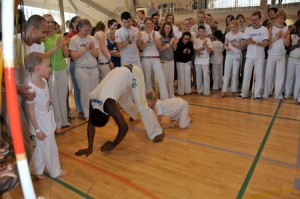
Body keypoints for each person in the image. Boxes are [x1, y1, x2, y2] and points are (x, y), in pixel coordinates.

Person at [75, 64, 165, 155]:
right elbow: (91, 123)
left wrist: (113, 144)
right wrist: (89, 147)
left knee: (141, 105)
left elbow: (124, 128)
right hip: (121, 74)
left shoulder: (108, 105)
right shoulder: (92, 99)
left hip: (134, 74)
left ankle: (157, 131)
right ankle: (134, 114)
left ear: (108, 115)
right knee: (124, 101)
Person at [25, 52, 68, 179]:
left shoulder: (43, 80)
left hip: (48, 120)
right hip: (41, 126)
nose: (50, 68)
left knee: (41, 148)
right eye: (48, 66)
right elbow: (31, 111)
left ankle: (35, 169)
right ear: (37, 68)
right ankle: (55, 171)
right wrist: (37, 130)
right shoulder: (30, 88)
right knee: (50, 148)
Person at [43, 14, 71, 134]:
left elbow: (66, 55)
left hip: (62, 70)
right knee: (54, 99)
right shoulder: (42, 39)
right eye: (48, 22)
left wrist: (64, 45)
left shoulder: (59, 36)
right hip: (51, 72)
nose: (51, 24)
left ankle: (64, 121)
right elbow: (43, 56)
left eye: (52, 22)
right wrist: (56, 47)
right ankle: (58, 124)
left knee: (62, 97)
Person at [69, 19, 99, 120]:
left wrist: (91, 49)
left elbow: (96, 55)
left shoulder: (92, 38)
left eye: (89, 30)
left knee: (94, 92)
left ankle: (95, 111)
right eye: (85, 30)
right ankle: (87, 114)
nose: (88, 32)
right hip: (81, 69)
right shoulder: (74, 39)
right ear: (79, 28)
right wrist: (85, 49)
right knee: (85, 92)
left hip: (94, 68)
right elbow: (73, 57)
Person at [237, 11, 269, 100]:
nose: (253, 21)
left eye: (255, 19)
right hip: (249, 56)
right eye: (252, 20)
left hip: (260, 57)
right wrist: (249, 41)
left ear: (259, 19)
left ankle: (257, 94)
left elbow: (266, 43)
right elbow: (243, 43)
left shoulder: (264, 29)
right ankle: (244, 93)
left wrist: (255, 42)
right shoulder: (248, 29)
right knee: (246, 75)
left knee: (259, 76)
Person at [137, 17, 169, 100]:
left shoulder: (157, 33)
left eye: (150, 23)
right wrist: (147, 41)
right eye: (147, 23)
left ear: (153, 24)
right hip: (145, 58)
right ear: (144, 24)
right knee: (147, 80)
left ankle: (164, 98)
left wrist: (154, 39)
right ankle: (150, 98)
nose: (149, 25)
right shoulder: (141, 33)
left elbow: (159, 46)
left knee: (161, 77)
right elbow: (141, 48)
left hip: (155, 58)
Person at [263, 10, 290, 100]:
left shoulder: (287, 29)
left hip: (281, 55)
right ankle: (266, 93)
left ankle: (278, 95)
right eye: (278, 18)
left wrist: (284, 37)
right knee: (268, 75)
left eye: (281, 18)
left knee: (280, 75)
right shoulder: (272, 28)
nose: (279, 19)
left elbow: (287, 44)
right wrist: (277, 36)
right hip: (271, 55)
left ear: (284, 19)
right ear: (276, 18)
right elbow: (269, 43)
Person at [221, 20, 244, 97]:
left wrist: (235, 45)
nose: (232, 29)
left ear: (237, 27)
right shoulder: (227, 34)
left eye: (234, 27)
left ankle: (233, 90)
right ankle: (224, 90)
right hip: (229, 55)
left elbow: (242, 46)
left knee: (235, 73)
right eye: (231, 27)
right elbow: (225, 45)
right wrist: (226, 48)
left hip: (237, 55)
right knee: (227, 73)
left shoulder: (241, 34)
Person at [157, 21, 178, 98]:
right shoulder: (160, 37)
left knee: (171, 78)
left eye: (169, 28)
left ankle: (171, 94)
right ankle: (163, 95)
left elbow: (174, 49)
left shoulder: (172, 37)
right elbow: (160, 49)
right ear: (163, 28)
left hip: (171, 60)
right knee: (164, 79)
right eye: (166, 28)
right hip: (163, 60)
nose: (167, 29)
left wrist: (175, 42)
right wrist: (169, 44)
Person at [193, 25, 212, 96]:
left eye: (203, 32)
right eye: (200, 32)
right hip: (198, 61)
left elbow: (210, 51)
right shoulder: (196, 40)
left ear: (205, 32)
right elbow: (196, 51)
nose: (201, 33)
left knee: (206, 76)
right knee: (198, 76)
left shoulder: (208, 40)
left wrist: (205, 44)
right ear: (198, 32)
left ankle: (206, 92)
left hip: (205, 60)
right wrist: (201, 46)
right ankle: (199, 91)